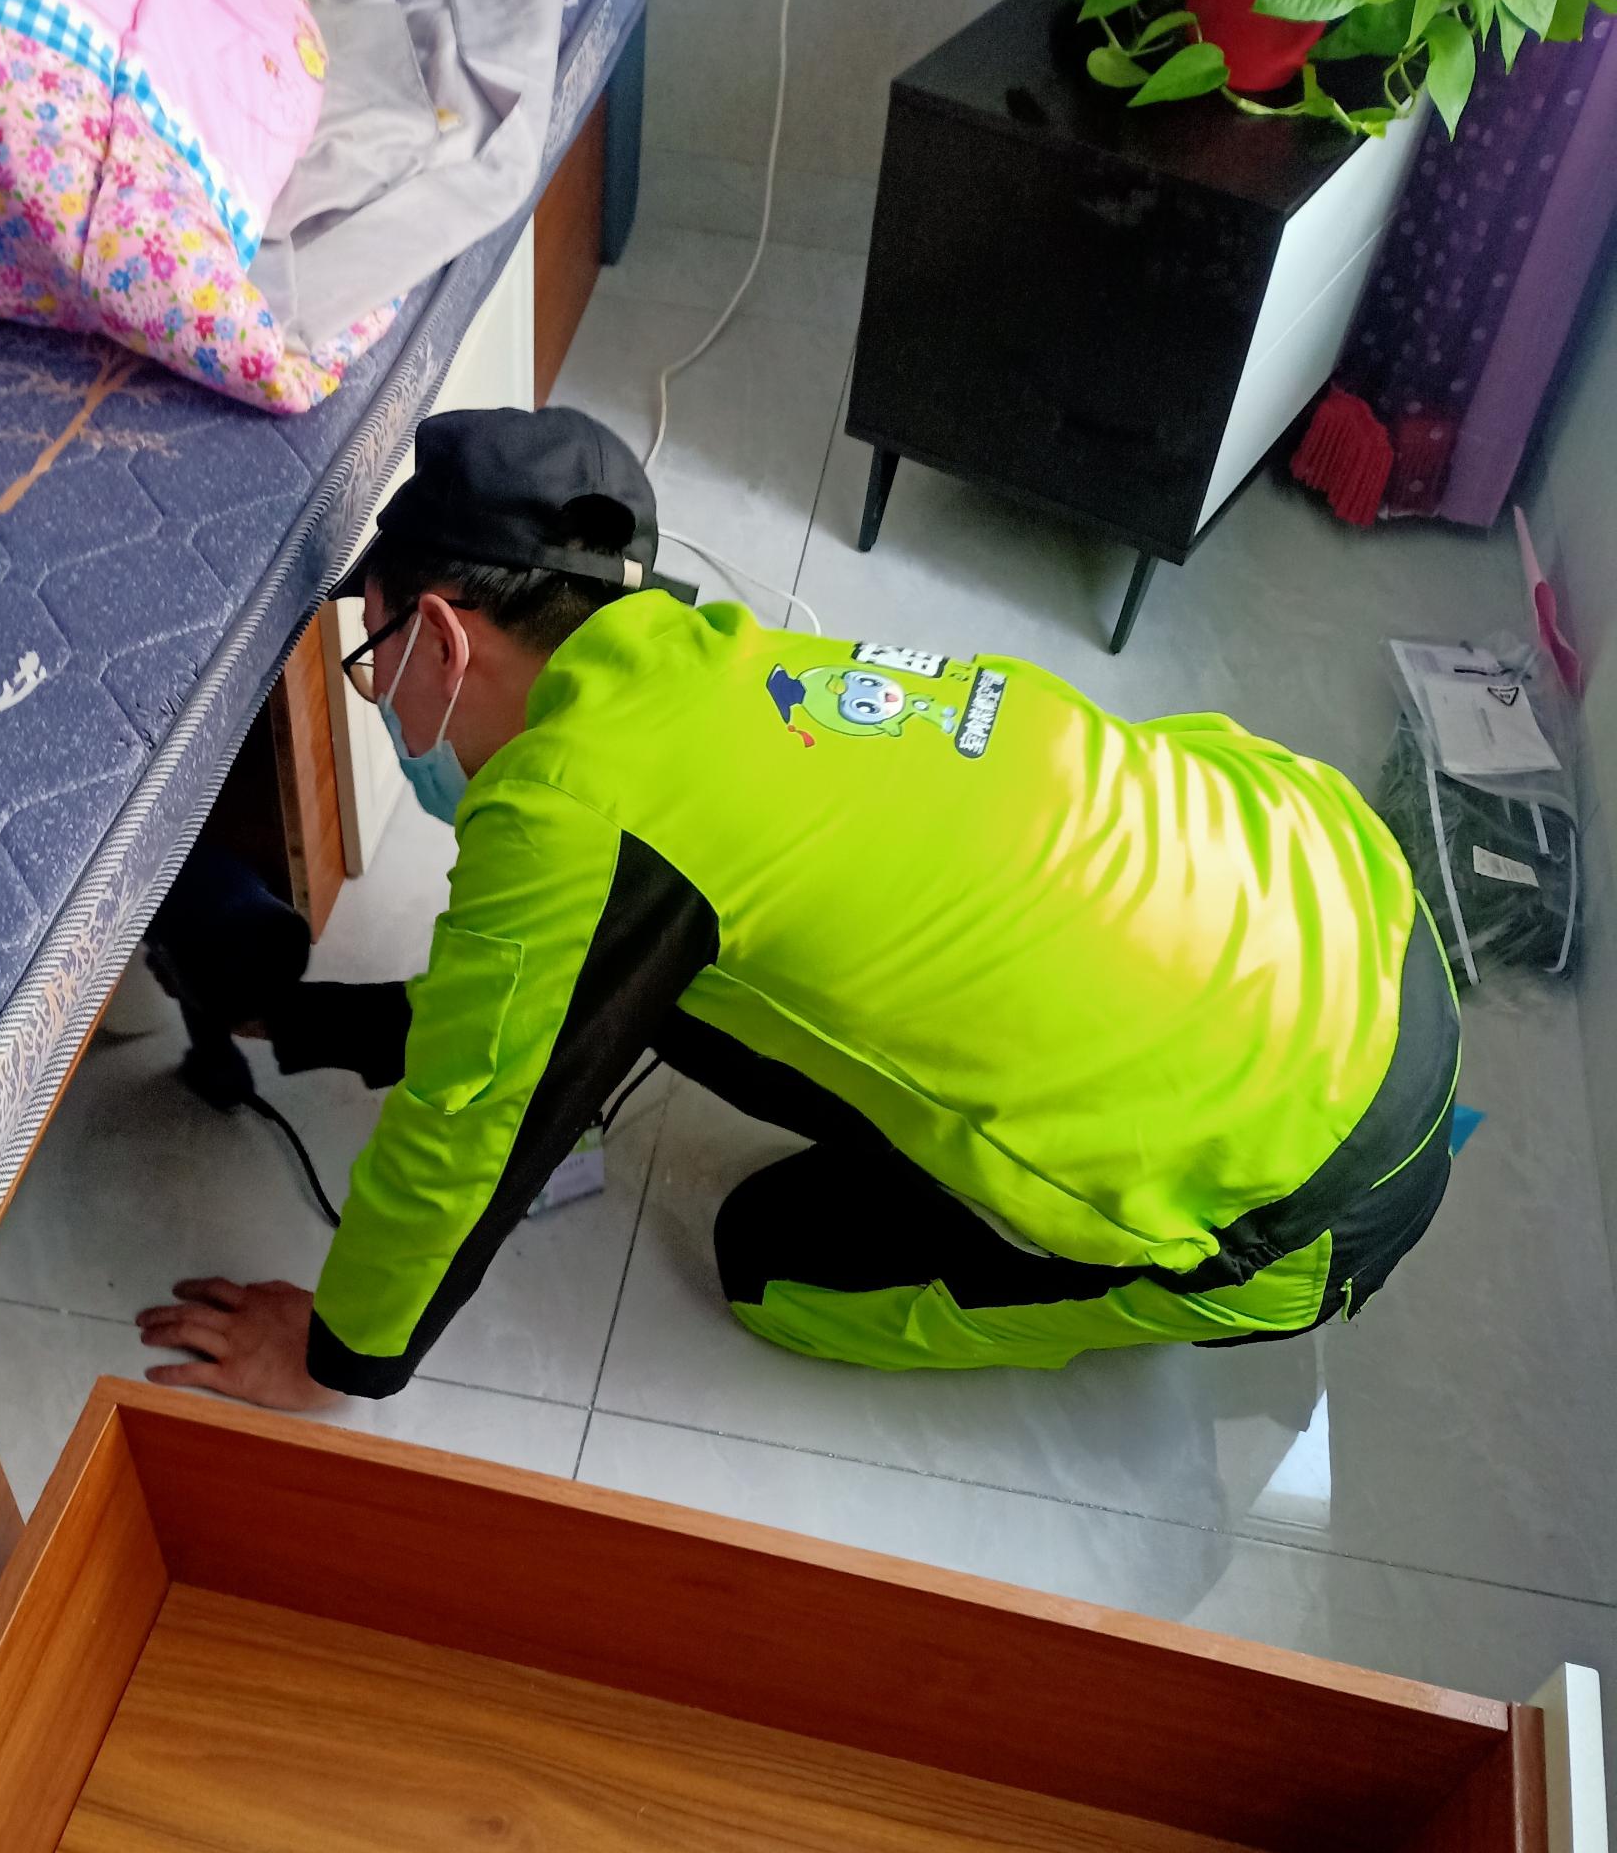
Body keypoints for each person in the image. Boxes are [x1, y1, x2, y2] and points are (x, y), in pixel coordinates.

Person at [136, 403, 1459, 1410]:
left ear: (440, 636)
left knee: (773, 1264)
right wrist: (296, 1023)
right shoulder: (704, 662)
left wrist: (335, 1359)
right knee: (689, 985)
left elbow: (466, 1127)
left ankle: (1136, 1280)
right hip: (1341, 904)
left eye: (373, 656)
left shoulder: (569, 808)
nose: (381, 697)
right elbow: (540, 999)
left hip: (1299, 1195)